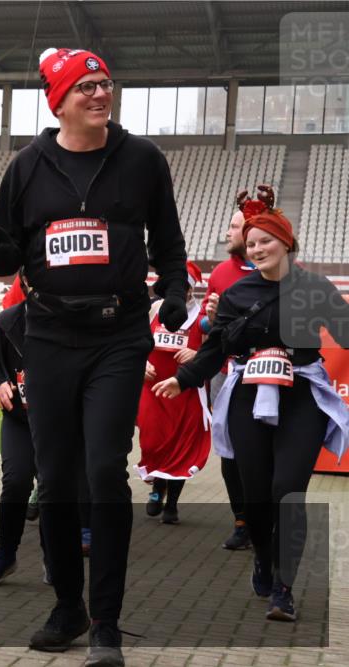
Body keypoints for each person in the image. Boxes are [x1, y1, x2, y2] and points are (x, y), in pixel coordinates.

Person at [0, 47, 189, 667]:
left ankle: (105, 621)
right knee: (56, 480)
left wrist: (175, 292)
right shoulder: (26, 166)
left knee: (105, 471)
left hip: (118, 334)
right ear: (60, 101)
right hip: (47, 337)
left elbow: (170, 243)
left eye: (105, 83)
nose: (100, 95)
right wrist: (0, 248)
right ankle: (67, 607)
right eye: (85, 88)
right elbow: (3, 256)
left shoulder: (142, 159)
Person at [153, 196, 349, 623]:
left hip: (301, 398)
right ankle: (262, 554)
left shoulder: (316, 288)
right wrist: (183, 379)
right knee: (256, 498)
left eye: (265, 241)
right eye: (251, 243)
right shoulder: (238, 292)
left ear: (285, 242)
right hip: (248, 396)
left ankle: (283, 587)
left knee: (288, 492)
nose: (256, 249)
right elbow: (217, 347)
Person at [0, 271, 47, 585]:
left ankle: (55, 558)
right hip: (18, 420)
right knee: (16, 482)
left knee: (54, 489)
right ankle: (6, 553)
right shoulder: (6, 323)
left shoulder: (75, 323)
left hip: (59, 422)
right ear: (25, 281)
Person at [201, 198, 259, 550]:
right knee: (230, 452)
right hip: (227, 372)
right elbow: (210, 328)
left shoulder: (280, 271)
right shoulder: (221, 273)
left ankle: (262, 518)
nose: (227, 232)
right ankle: (241, 520)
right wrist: (211, 318)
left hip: (269, 375)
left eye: (234, 226)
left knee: (261, 452)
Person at [136, 261, 212, 525]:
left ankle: (171, 502)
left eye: (187, 288)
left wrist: (198, 354)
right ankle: (157, 485)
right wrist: (141, 360)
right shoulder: (154, 309)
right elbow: (136, 340)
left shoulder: (202, 317)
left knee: (182, 445)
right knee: (152, 440)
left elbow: (217, 350)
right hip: (152, 386)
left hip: (184, 389)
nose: (183, 293)